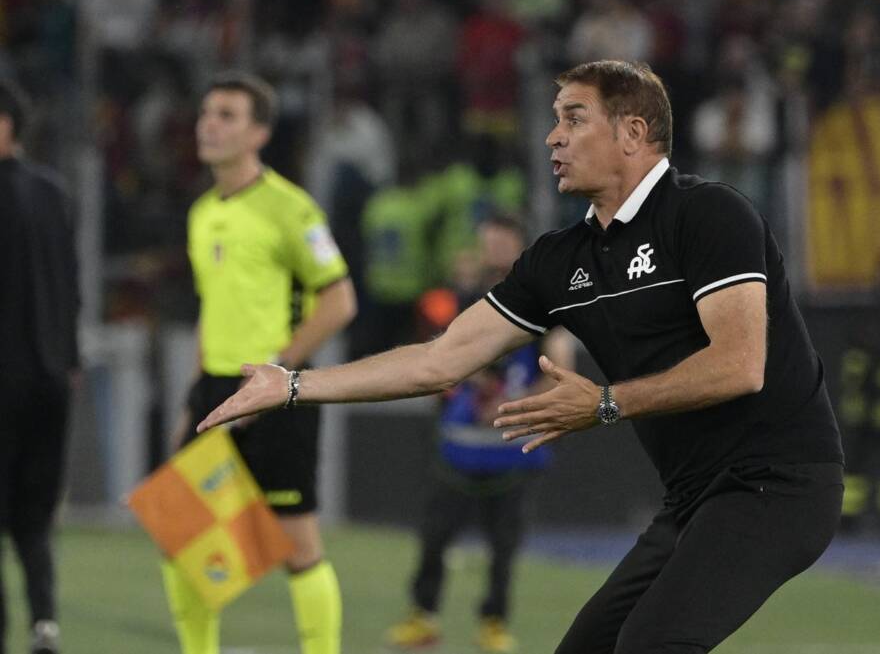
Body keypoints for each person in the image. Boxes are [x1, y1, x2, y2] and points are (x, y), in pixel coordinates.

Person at [197, 60, 844, 654]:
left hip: (780, 482)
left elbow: (740, 364)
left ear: (633, 132)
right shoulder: (559, 260)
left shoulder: (709, 213)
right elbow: (438, 361)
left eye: (574, 118)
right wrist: (292, 384)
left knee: (651, 644)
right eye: (555, 119)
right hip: (692, 498)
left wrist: (607, 403)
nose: (552, 137)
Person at [165, 72, 357, 654]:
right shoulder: (201, 212)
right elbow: (212, 309)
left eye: (226, 115)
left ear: (259, 133)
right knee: (182, 540)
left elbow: (339, 300)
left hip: (279, 391)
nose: (209, 124)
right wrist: (193, 397)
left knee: (298, 547)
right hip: (213, 391)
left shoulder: (290, 208)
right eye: (206, 112)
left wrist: (279, 371)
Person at [386, 216, 575, 653]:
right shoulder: (464, 299)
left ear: (521, 246)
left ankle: (493, 623)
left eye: (502, 242)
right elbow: (438, 353)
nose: (494, 250)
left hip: (513, 446)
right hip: (460, 445)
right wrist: (472, 380)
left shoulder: (545, 303)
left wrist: (514, 403)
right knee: (435, 534)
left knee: (504, 543)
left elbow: (561, 369)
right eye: (488, 242)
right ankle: (422, 617)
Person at [0, 80, 78, 654]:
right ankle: (45, 624)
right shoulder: (55, 193)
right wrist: (69, 361)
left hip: (5, 378)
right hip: (52, 379)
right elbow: (71, 289)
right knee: (35, 514)